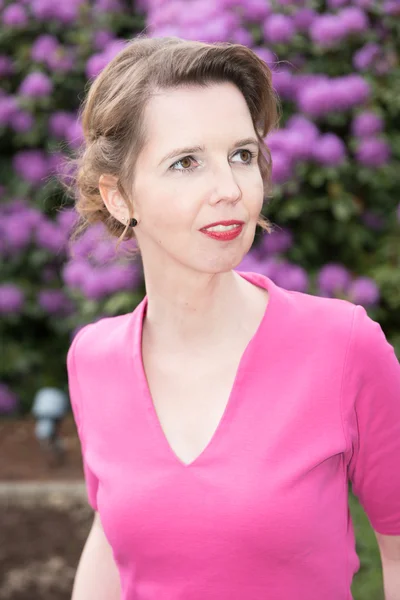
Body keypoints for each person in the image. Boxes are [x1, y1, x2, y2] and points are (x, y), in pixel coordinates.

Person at [65, 35, 400, 600]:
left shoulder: (343, 347)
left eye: (242, 156)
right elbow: (111, 537)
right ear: (120, 196)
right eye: (186, 162)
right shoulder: (93, 359)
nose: (231, 190)